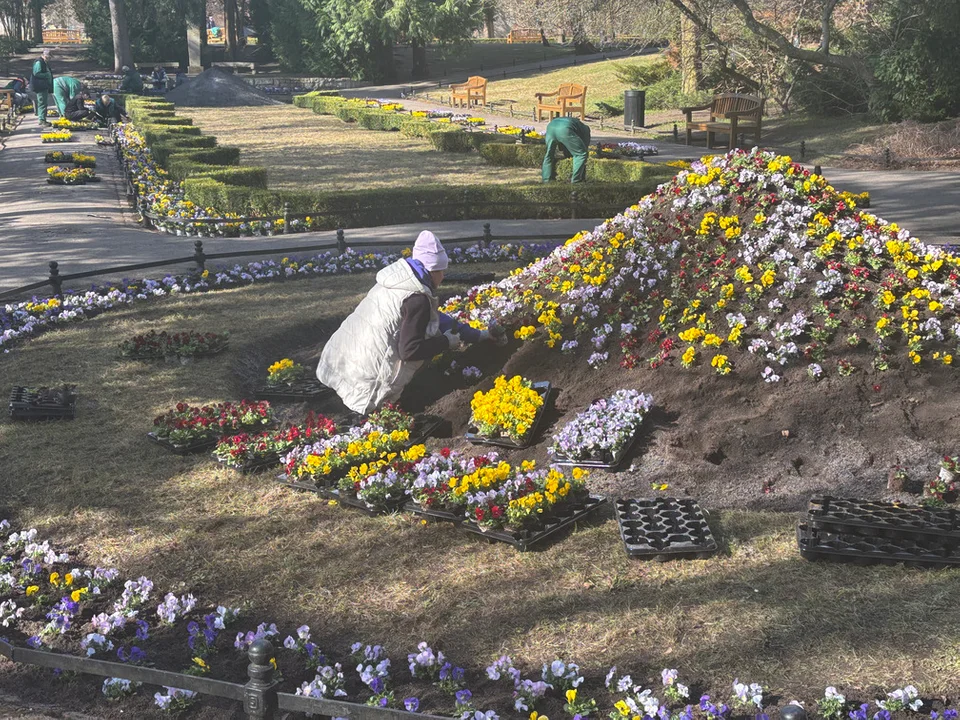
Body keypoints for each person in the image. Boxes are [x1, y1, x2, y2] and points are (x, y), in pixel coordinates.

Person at [317, 231, 506, 415]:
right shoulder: (416, 299)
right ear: (433, 270)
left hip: (339, 363)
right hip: (365, 386)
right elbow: (410, 351)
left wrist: (480, 335)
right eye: (442, 271)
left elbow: (439, 319)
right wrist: (446, 342)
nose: (443, 276)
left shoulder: (396, 283)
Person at [542, 115, 591, 184]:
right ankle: (576, 181)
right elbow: (583, 148)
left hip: (551, 126)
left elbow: (563, 146)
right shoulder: (585, 130)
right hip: (565, 129)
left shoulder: (577, 124)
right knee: (581, 154)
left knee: (549, 155)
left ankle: (546, 179)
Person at [30, 49, 54, 126]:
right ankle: (42, 120)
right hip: (40, 86)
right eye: (49, 57)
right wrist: (47, 75)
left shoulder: (44, 62)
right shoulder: (39, 62)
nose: (50, 59)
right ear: (45, 56)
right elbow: (36, 73)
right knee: (42, 103)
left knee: (44, 103)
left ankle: (43, 119)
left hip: (44, 86)